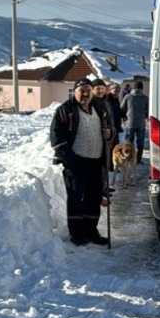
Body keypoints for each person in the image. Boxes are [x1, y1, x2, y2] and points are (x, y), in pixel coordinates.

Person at [50, 77, 113, 246]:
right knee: (76, 199)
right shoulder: (65, 110)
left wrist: (110, 133)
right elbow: (57, 139)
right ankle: (77, 234)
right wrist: (70, 161)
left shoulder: (100, 108)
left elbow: (110, 128)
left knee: (94, 198)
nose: (85, 93)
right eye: (81, 90)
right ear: (74, 92)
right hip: (75, 162)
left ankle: (91, 231)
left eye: (88, 90)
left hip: (96, 161)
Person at [121, 80, 149, 164]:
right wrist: (145, 116)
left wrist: (125, 116)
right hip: (141, 123)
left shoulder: (127, 97)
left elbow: (122, 108)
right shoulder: (145, 98)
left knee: (129, 141)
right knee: (140, 142)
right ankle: (138, 159)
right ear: (142, 88)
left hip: (130, 122)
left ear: (133, 87)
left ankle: (129, 159)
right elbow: (148, 111)